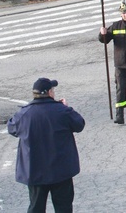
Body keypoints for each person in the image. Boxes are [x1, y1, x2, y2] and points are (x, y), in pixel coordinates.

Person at [7, 78, 84, 213]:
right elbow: (79, 124)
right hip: (61, 171)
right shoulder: (61, 111)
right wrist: (66, 107)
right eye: (53, 90)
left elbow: (12, 128)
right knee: (64, 208)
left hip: (35, 171)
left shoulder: (24, 114)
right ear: (49, 92)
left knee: (36, 207)